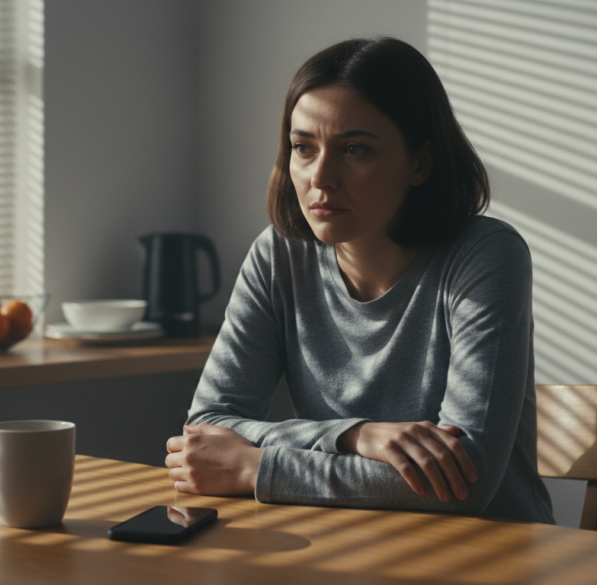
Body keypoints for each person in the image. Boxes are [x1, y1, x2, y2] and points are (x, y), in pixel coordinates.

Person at [165, 37, 554, 524]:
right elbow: (205, 432)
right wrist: (354, 434)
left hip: (485, 556)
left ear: (420, 162)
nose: (320, 177)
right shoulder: (279, 254)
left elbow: (463, 483)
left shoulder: (485, 255)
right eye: (303, 148)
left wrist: (257, 468)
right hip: (344, 546)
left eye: (354, 149)